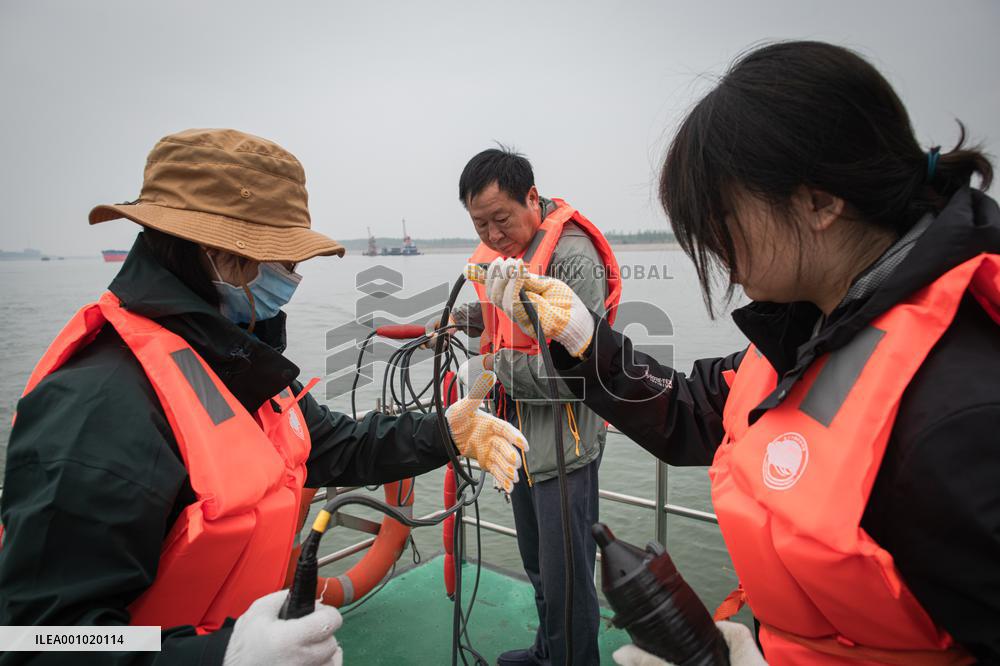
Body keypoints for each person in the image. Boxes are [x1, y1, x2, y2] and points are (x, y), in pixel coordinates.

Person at [479, 41, 1000, 665]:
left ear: (820, 200)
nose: (710, 242)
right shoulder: (812, 331)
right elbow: (695, 410)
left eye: (719, 214)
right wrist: (583, 340)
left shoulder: (965, 408)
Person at [0, 128, 528, 666]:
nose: (294, 278)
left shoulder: (234, 361)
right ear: (219, 254)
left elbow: (334, 445)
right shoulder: (99, 406)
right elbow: (40, 639)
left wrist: (447, 431)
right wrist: (223, 657)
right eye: (285, 260)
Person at [447, 148, 622, 666]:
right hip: (517, 438)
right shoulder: (503, 255)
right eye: (481, 224)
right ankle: (548, 651)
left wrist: (495, 368)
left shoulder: (571, 256)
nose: (494, 235)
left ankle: (573, 659)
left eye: (501, 219)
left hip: (563, 446)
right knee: (538, 564)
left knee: (568, 577)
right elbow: (507, 324)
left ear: (531, 197)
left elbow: (577, 375)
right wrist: (464, 319)